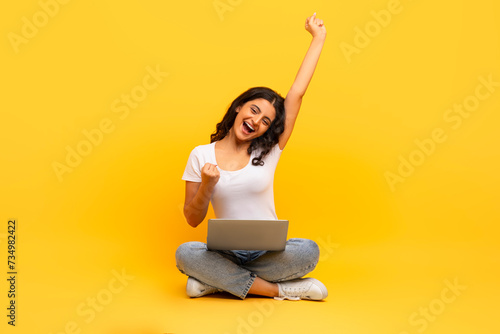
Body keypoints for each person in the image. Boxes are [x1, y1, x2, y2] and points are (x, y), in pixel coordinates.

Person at [176, 13, 327, 301]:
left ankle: (216, 280)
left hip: (268, 252)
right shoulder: (200, 155)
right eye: (254, 111)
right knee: (185, 253)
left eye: (266, 121)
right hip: (224, 252)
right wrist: (207, 185)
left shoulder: (268, 151)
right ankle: (278, 290)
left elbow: (296, 94)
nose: (257, 122)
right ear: (238, 108)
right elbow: (192, 219)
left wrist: (318, 38)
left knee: (308, 250)